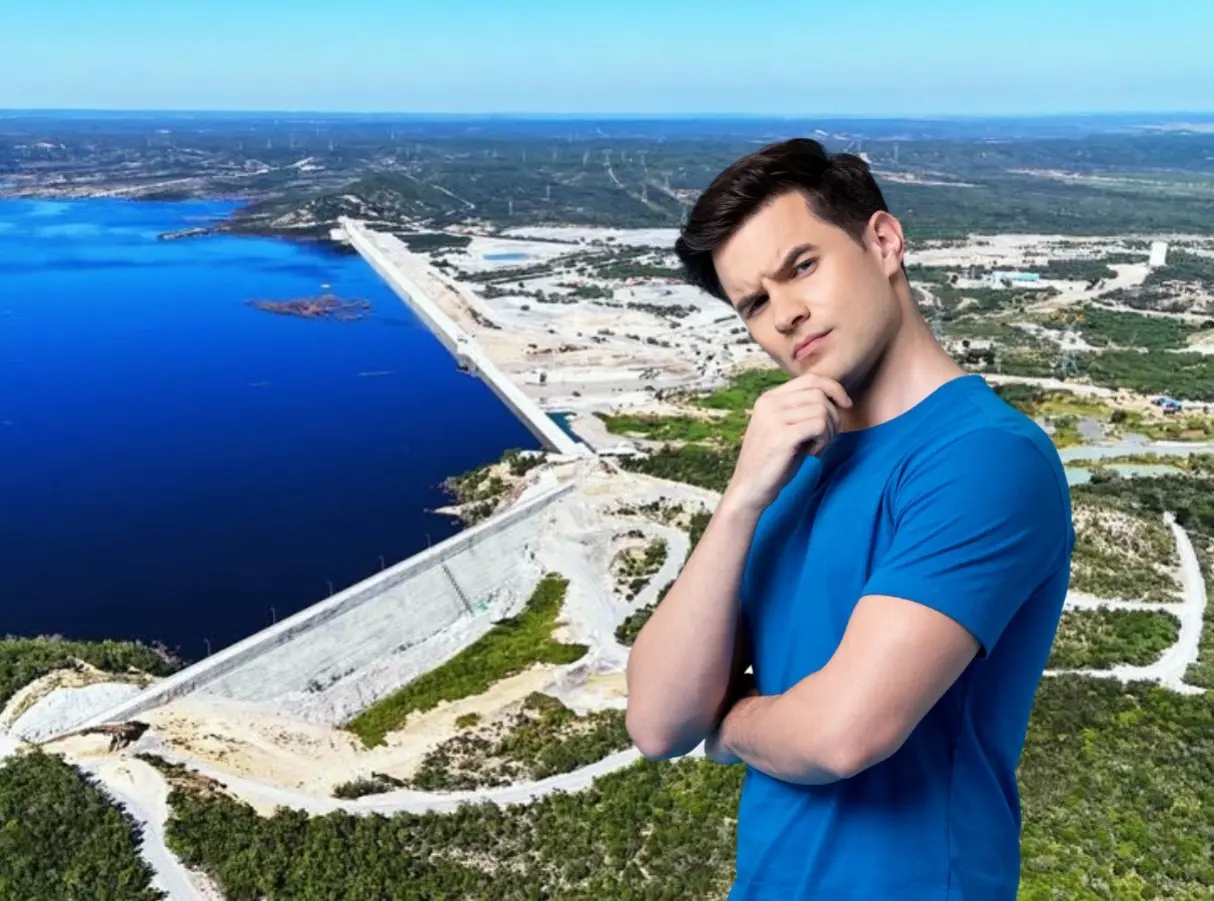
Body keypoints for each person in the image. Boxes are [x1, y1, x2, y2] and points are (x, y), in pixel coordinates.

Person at [624, 138, 1075, 900]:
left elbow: (842, 733)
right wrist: (739, 500)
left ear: (883, 240)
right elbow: (660, 724)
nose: (786, 313)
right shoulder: (794, 464)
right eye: (755, 304)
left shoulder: (984, 458)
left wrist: (729, 727)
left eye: (802, 266)